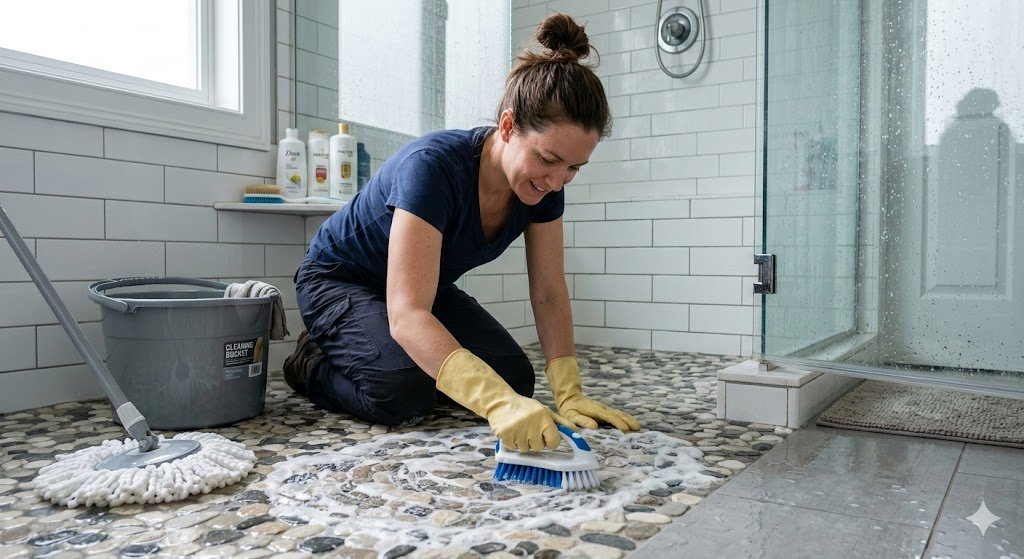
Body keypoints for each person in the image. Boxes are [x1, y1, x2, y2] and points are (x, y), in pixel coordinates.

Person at [285, 13, 640, 451]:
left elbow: (548, 291)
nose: (556, 180)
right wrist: (493, 404)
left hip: (419, 291)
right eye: (548, 160)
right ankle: (312, 362)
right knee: (401, 391)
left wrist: (568, 392)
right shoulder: (432, 168)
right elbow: (408, 313)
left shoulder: (545, 188)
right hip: (339, 281)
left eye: (573, 169)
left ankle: (382, 353)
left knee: (515, 377)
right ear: (508, 127)